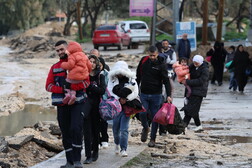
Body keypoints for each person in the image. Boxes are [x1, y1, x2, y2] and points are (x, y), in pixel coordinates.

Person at [45, 40, 90, 168]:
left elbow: (87, 83)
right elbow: (48, 86)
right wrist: (63, 89)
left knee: (76, 129)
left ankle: (77, 160)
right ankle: (69, 161)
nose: (60, 52)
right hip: (61, 105)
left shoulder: (80, 63)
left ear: (68, 49)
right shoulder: (55, 67)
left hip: (78, 103)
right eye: (57, 50)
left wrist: (73, 87)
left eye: (62, 49)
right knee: (65, 132)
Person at [136, 46, 172, 147]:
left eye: (154, 55)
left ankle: (152, 139)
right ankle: (146, 127)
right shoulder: (143, 61)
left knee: (155, 117)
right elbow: (138, 77)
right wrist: (135, 91)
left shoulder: (162, 64)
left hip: (156, 94)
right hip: (143, 93)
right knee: (142, 113)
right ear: (148, 53)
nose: (152, 57)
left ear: (157, 54)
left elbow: (166, 81)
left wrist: (168, 95)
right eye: (150, 55)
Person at [107, 61, 139, 156]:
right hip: (116, 106)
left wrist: (127, 99)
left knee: (124, 129)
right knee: (115, 128)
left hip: (128, 106)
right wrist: (118, 99)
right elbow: (109, 90)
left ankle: (123, 148)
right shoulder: (112, 79)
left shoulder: (131, 79)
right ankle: (117, 143)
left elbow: (135, 91)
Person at [83, 55, 106, 164]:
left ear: (96, 64)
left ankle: (95, 152)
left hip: (96, 106)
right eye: (89, 61)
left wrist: (91, 87)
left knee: (96, 130)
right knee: (87, 131)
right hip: (86, 105)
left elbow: (102, 90)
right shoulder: (84, 74)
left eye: (93, 62)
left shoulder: (99, 76)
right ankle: (88, 155)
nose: (91, 63)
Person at [181, 55, 209, 131]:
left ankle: (183, 125)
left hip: (199, 92)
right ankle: (198, 125)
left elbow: (201, 81)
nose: (195, 64)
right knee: (193, 110)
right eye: (194, 62)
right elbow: (185, 74)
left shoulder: (205, 69)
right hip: (189, 91)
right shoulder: (191, 67)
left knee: (190, 109)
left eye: (197, 63)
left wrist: (188, 82)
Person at [98, 57, 109, 149]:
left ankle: (105, 139)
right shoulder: (91, 74)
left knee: (103, 121)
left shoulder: (107, 74)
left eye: (100, 65)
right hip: (94, 101)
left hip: (104, 101)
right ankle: (97, 140)